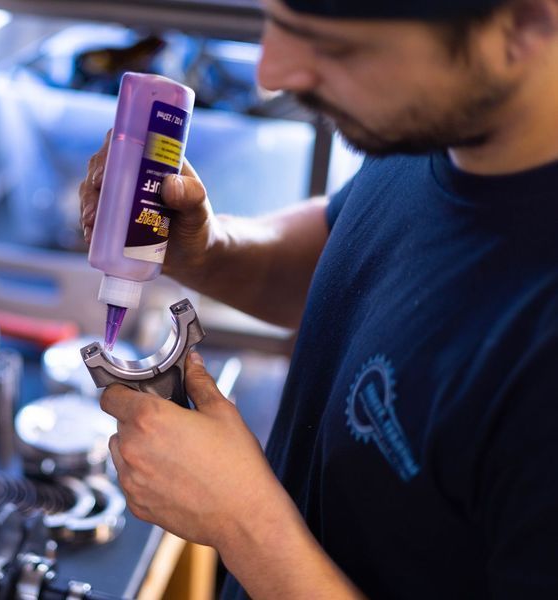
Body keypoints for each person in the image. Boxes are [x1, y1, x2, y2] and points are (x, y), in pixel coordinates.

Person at [78, 0, 558, 597]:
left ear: (524, 26)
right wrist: (208, 249)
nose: (271, 73)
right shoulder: (448, 117)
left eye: (332, 46)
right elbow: (362, 262)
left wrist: (243, 523)